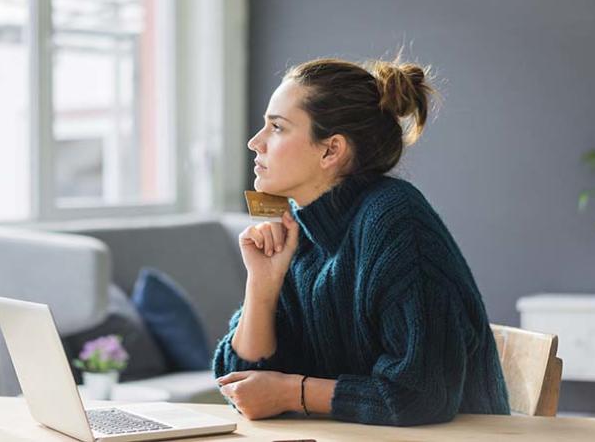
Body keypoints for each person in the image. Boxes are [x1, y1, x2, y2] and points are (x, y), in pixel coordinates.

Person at [212, 57, 510, 426]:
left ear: (331, 151)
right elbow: (240, 385)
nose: (255, 142)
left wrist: (292, 392)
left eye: (277, 127)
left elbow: (422, 394)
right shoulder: (297, 232)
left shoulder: (396, 221)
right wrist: (262, 285)